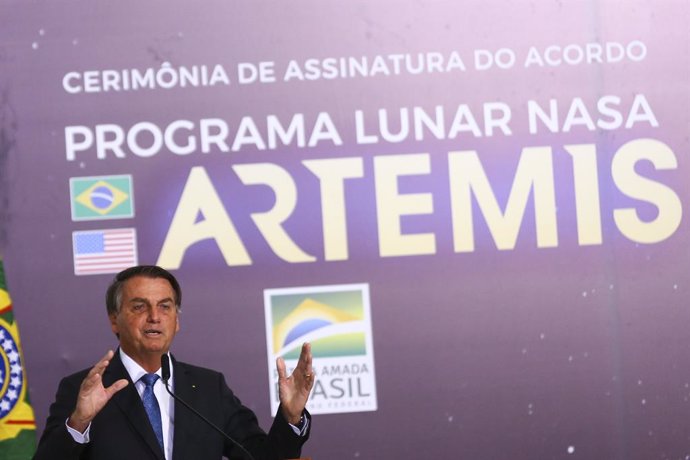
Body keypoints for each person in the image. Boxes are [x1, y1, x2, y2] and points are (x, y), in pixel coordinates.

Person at [33, 265, 313, 460]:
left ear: (176, 320)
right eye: (139, 306)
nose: (155, 316)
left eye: (165, 307)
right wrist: (79, 421)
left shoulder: (208, 388)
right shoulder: (81, 389)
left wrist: (291, 417)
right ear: (114, 319)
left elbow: (264, 456)